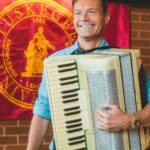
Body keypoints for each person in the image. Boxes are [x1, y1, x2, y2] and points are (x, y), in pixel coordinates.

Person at [27, 0, 150, 149]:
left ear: (106, 17)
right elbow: (41, 115)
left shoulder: (126, 61)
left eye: (92, 12)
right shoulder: (55, 62)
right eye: (78, 13)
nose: (84, 18)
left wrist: (128, 120)